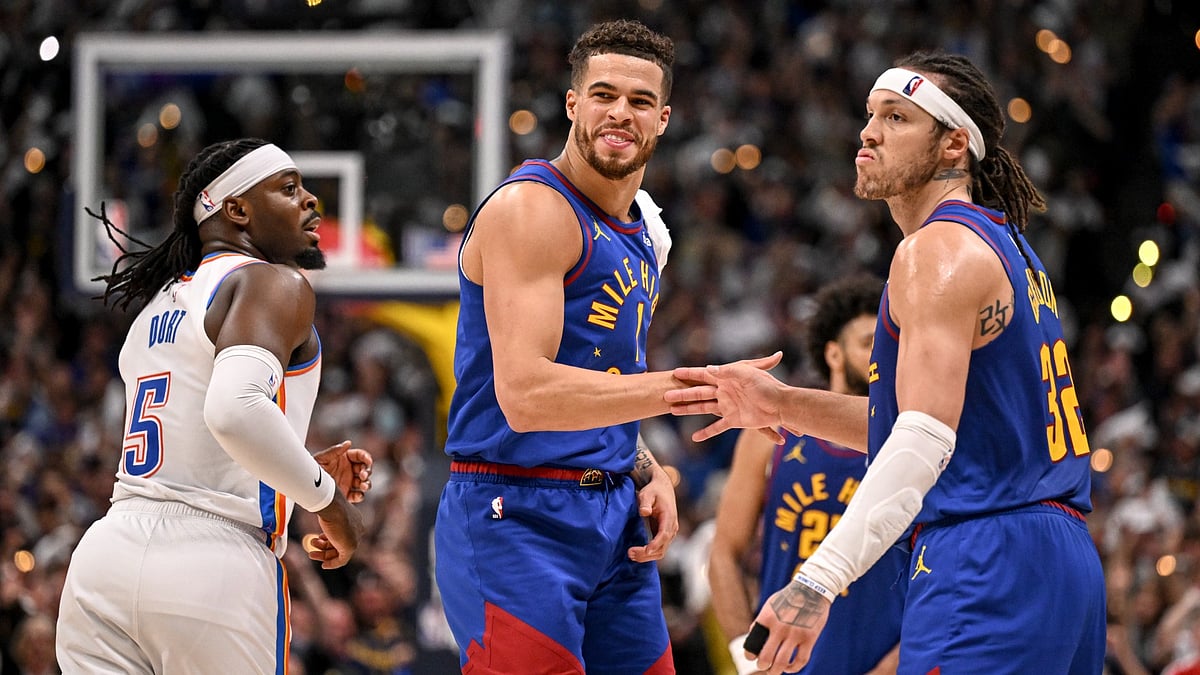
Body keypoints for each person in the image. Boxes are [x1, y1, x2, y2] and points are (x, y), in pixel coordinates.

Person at [667, 50, 1105, 674]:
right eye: (871, 114)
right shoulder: (1005, 247)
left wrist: (817, 581)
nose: (869, 131)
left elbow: (924, 441)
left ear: (955, 145)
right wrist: (782, 403)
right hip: (1059, 558)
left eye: (897, 118)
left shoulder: (936, 250)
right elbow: (926, 422)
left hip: (985, 554)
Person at [433, 18, 776, 674]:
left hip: (613, 515)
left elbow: (597, 374)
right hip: (514, 512)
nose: (621, 112)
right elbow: (528, 395)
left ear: (664, 119)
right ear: (572, 104)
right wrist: (689, 388)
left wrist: (640, 464)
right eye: (604, 94)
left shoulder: (645, 229)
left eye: (641, 101)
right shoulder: (531, 211)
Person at [56, 138, 371, 673]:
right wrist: (327, 503)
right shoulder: (274, 282)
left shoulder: (155, 307)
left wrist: (293, 469)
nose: (311, 201)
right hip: (212, 571)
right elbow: (235, 410)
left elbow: (194, 447)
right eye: (289, 188)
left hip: (105, 557)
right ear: (237, 210)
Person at [709, 274, 905, 675]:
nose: (882, 355)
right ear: (833, 355)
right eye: (869, 343)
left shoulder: (913, 440)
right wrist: (744, 659)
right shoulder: (769, 435)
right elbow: (723, 553)